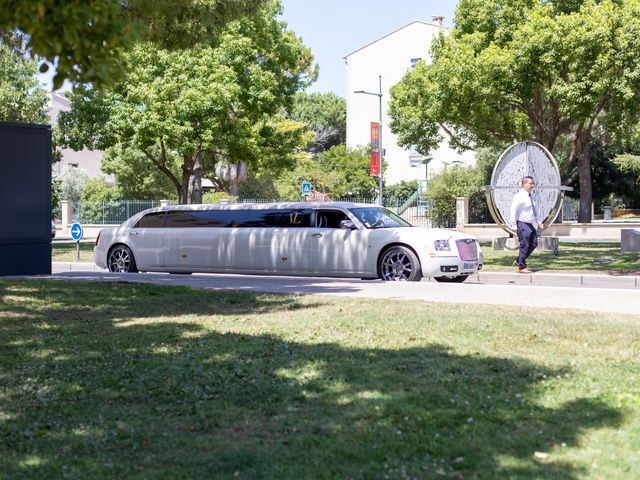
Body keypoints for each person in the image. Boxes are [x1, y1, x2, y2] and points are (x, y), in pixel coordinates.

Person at [509, 176, 544, 273]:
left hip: (530, 224)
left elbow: (535, 211)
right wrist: (513, 225)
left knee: (534, 243)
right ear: (524, 184)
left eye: (533, 183)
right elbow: (513, 210)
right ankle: (521, 267)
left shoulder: (532, 196)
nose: (532, 185)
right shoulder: (519, 196)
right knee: (524, 244)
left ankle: (518, 260)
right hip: (521, 223)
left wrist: (539, 222)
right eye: (530, 183)